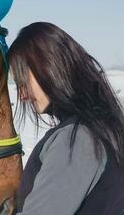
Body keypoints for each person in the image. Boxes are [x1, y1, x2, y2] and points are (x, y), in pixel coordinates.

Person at [8, 22, 124, 215]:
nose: (22, 95)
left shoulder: (78, 140)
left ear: (47, 65)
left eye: (23, 81)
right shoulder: (103, 126)